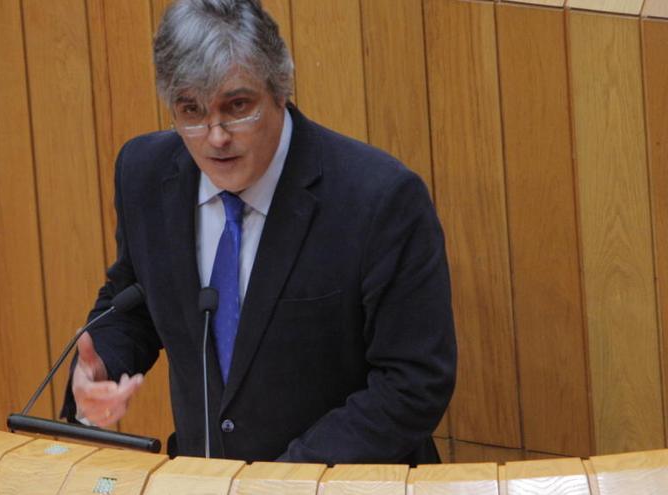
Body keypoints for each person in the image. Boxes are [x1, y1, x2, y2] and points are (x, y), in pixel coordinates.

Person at [61, 0, 456, 465]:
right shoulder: (144, 175)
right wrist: (102, 364)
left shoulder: (378, 199)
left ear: (281, 88)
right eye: (191, 110)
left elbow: (414, 381)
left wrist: (284, 480)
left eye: (237, 106)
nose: (215, 136)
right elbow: (135, 302)